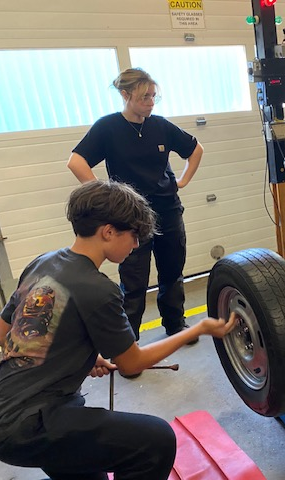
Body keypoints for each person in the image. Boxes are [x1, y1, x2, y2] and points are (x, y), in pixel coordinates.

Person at [0, 180, 237, 479]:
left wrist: (84, 358)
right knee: (157, 441)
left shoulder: (43, 262)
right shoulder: (99, 289)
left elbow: (4, 335)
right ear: (108, 231)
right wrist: (197, 329)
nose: (137, 245)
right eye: (134, 235)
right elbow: (132, 363)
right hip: (32, 424)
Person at [68, 67, 203, 349]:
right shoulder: (108, 127)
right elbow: (76, 162)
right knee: (134, 282)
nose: (151, 103)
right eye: (144, 97)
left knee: (172, 272)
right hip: (130, 218)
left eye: (154, 96)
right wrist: (106, 195)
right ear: (125, 95)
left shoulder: (161, 125)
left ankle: (175, 325)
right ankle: (128, 343)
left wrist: (181, 181)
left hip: (168, 211)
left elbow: (195, 149)